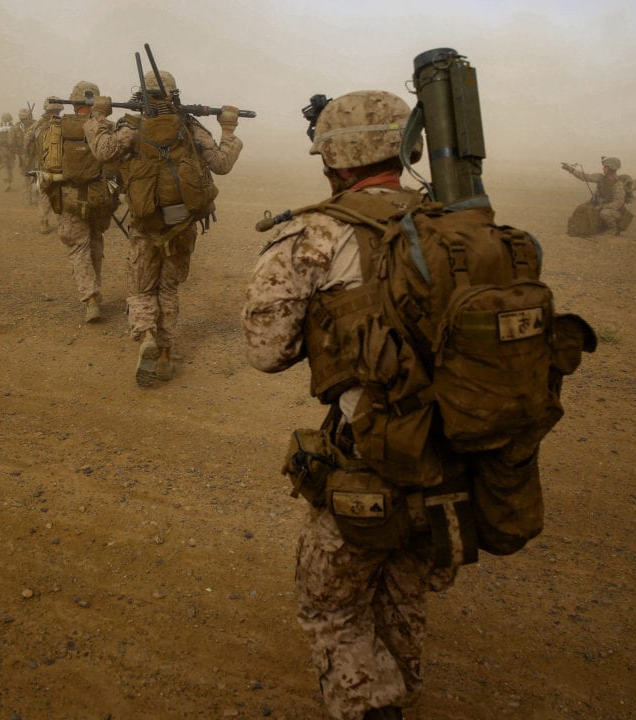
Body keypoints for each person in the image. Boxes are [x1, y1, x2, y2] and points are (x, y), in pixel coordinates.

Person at [241, 91, 454, 720]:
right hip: (456, 457)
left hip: (373, 458)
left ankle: (368, 708)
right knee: (404, 599)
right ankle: (402, 694)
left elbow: (265, 350)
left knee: (332, 605)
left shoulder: (316, 235)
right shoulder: (459, 223)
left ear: (332, 161)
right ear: (407, 147)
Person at [85, 69, 243, 386]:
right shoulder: (190, 128)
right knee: (168, 289)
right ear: (174, 96)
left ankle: (146, 337)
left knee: (142, 288)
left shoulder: (130, 128)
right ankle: (167, 353)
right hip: (182, 224)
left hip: (145, 223)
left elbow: (103, 152)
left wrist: (98, 116)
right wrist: (228, 127)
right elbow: (222, 164)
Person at [39, 82, 116, 323]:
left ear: (73, 102)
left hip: (70, 196)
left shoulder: (56, 128)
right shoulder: (106, 128)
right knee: (95, 244)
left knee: (78, 248)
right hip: (99, 196)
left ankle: (90, 298)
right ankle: (96, 291)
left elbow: (46, 164)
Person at [26, 97, 64, 234]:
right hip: (62, 167)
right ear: (60, 108)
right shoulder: (64, 123)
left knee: (44, 195)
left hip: (43, 167)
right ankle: (63, 224)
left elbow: (27, 142)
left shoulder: (37, 125)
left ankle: (44, 222)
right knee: (61, 194)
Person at [561, 156, 627, 234]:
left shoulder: (618, 185)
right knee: (581, 209)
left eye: (605, 167)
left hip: (613, 211)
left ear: (611, 169)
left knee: (604, 213)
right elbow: (585, 177)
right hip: (599, 205)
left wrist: (602, 207)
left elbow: (618, 203)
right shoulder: (600, 177)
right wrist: (571, 169)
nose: (603, 169)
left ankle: (613, 229)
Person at [14, 107, 37, 206]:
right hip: (36, 155)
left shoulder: (16, 127)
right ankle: (36, 196)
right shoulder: (36, 124)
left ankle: (28, 199)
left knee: (26, 178)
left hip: (23, 156)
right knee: (36, 176)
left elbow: (11, 142)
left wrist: (18, 152)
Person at [0, 112, 17, 191]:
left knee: (3, 166)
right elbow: (18, 140)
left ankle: (7, 183)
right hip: (11, 151)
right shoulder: (14, 128)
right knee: (9, 167)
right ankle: (9, 182)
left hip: (2, 150)